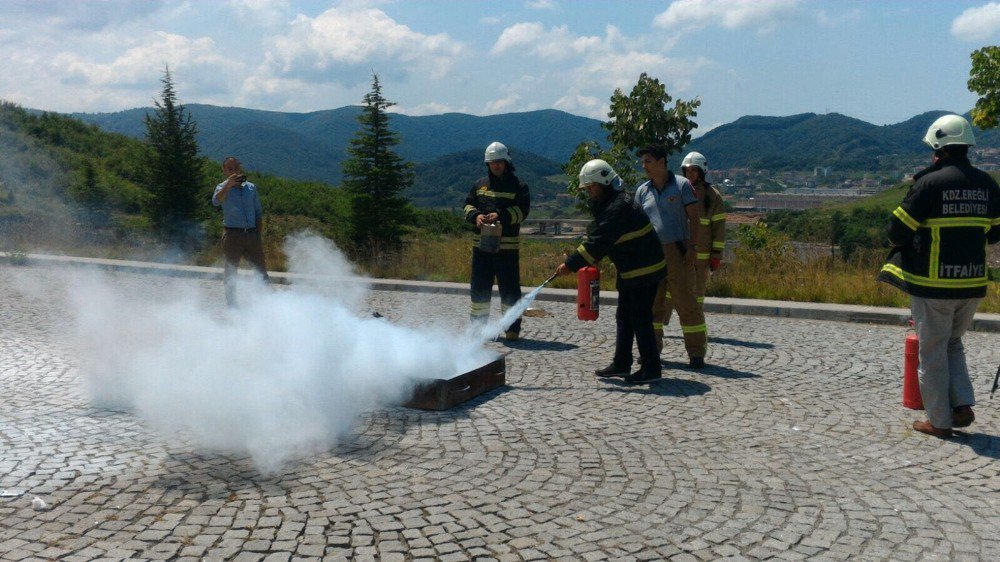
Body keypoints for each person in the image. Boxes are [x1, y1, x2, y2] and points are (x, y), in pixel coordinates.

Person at [877, 114, 1000, 437]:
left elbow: (896, 231)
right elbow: (996, 233)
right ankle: (961, 405)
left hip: (933, 286)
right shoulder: (987, 185)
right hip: (972, 284)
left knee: (932, 352)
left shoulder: (929, 184)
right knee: (953, 344)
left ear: (939, 148)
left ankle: (939, 421)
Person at [554, 159, 666, 384]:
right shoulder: (611, 201)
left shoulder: (619, 207)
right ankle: (622, 363)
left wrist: (571, 265)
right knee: (624, 316)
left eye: (592, 187)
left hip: (645, 269)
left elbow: (598, 243)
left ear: (605, 182)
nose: (589, 192)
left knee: (640, 318)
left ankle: (651, 369)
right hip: (631, 270)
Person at [634, 145, 707, 368]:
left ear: (662, 162)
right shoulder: (642, 191)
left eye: (647, 161)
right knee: (653, 306)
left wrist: (693, 247)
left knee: (687, 304)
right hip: (651, 256)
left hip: (679, 253)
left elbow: (694, 218)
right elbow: (637, 225)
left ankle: (696, 353)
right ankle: (651, 350)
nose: (644, 166)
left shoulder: (682, 185)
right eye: (643, 162)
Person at [463, 141, 530, 340]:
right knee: (479, 289)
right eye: (492, 162)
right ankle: (477, 328)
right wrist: (475, 216)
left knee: (509, 289)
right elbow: (467, 205)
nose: (496, 165)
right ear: (488, 164)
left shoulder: (519, 186)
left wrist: (500, 215)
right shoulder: (479, 185)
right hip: (481, 248)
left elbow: (522, 212)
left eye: (499, 162)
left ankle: (511, 329)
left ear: (506, 162)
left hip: (506, 249)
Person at [212, 156, 268, 306]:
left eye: (235, 168)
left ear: (240, 168)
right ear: (224, 170)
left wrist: (258, 235)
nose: (233, 171)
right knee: (231, 271)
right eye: (230, 169)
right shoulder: (221, 187)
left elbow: (258, 212)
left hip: (252, 234)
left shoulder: (251, 188)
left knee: (261, 271)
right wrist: (228, 185)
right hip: (232, 235)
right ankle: (232, 305)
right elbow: (216, 201)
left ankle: (265, 303)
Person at [678, 151, 726, 327]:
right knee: (668, 291)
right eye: (687, 171)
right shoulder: (678, 192)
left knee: (697, 294)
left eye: (694, 171)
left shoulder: (713, 197)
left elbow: (719, 229)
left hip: (702, 256)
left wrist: (716, 255)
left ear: (702, 172)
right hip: (680, 252)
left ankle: (695, 327)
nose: (690, 175)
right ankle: (660, 324)